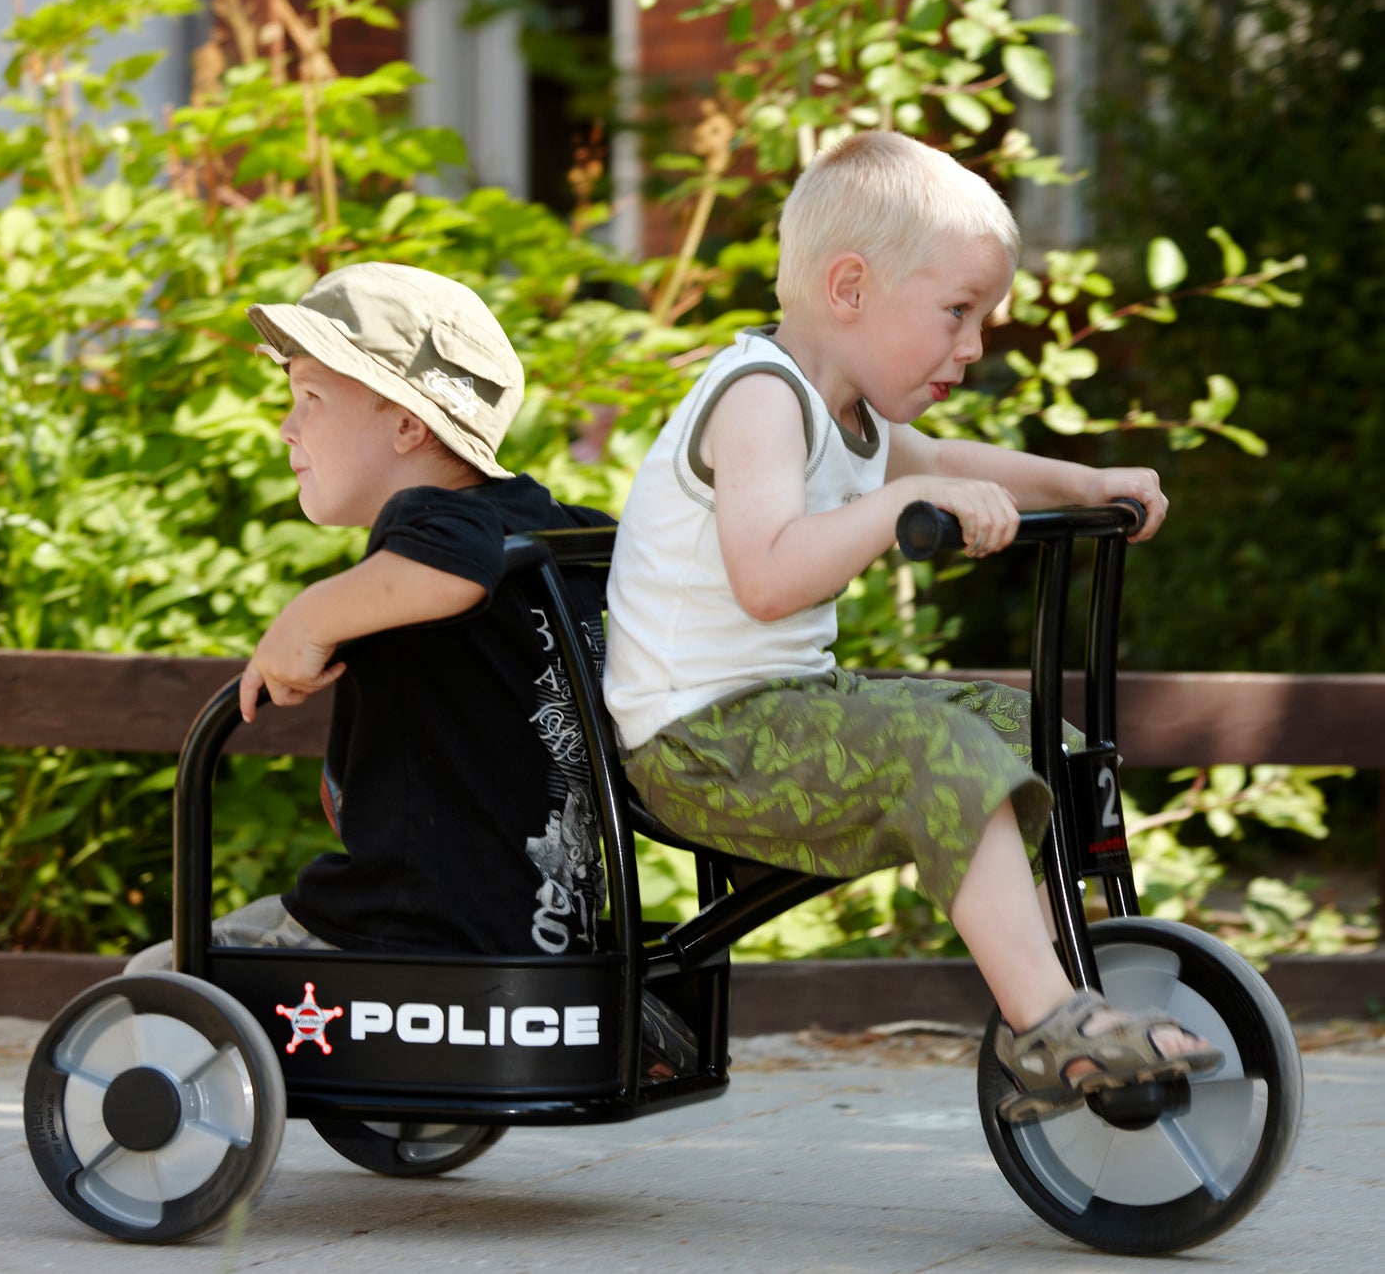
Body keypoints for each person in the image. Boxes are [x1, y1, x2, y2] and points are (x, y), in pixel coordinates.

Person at [602, 132, 1220, 1122]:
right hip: (697, 745)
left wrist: (1082, 480)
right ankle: (1046, 1024)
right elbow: (764, 577)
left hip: (783, 716)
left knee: (1036, 742)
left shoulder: (851, 414)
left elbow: (933, 450)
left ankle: (1063, 982)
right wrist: (901, 503)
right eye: (955, 311)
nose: (971, 344)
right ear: (847, 288)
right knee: (935, 748)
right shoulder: (757, 395)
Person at [128, 261, 695, 1078]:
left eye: (311, 399)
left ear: (406, 425)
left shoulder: (434, 517)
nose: (288, 427)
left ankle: (178, 1125)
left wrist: (305, 618)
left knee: (159, 977)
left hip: (402, 922)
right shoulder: (547, 524)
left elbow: (451, 569)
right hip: (542, 922)